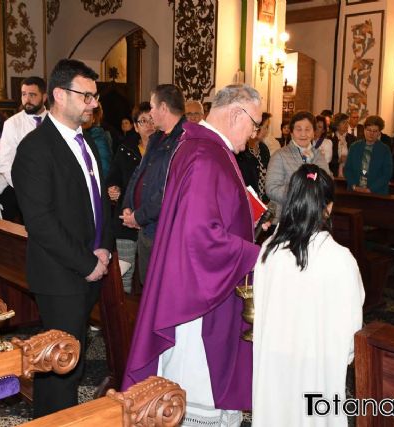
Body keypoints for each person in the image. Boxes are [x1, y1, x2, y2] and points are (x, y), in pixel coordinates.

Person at [123, 84, 262, 426]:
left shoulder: (201, 148)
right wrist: (257, 254)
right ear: (235, 114)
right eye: (255, 123)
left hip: (197, 285)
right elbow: (201, 236)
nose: (256, 133)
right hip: (199, 300)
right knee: (195, 388)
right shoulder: (205, 156)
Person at [11, 59, 113, 417]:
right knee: (61, 366)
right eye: (86, 95)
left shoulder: (83, 143)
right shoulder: (36, 148)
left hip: (87, 266)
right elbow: (41, 222)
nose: (93, 104)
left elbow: (96, 201)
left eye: (94, 96)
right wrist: (87, 262)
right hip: (59, 273)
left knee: (73, 360)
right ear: (58, 94)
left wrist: (104, 246)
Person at [253, 164, 364, 426]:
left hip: (275, 360)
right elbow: (352, 329)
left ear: (290, 202)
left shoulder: (269, 250)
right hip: (319, 366)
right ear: (329, 206)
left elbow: (261, 304)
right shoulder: (341, 260)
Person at [121, 84, 186, 285]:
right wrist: (128, 205)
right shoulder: (157, 137)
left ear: (164, 108)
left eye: (152, 107)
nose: (150, 112)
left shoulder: (183, 139)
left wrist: (138, 216)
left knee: (160, 290)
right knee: (147, 286)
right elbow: (139, 173)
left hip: (163, 229)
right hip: (145, 226)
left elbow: (169, 190)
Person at [107, 102, 154, 292]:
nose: (149, 125)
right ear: (136, 126)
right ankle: (124, 316)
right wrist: (113, 189)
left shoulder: (165, 150)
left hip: (151, 222)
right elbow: (113, 176)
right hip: (126, 219)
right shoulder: (125, 149)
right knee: (124, 272)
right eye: (143, 121)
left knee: (150, 275)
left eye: (152, 120)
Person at [266, 110, 331, 221]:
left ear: (313, 132)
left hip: (312, 218)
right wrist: (301, 197)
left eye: (307, 129)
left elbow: (327, 183)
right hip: (285, 217)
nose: (303, 134)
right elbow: (272, 188)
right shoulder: (279, 155)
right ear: (291, 132)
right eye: (298, 129)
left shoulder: (319, 156)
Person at [0, 76, 48, 188]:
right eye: (24, 94)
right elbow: (5, 163)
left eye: (32, 95)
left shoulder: (56, 121)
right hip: (26, 188)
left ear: (44, 97)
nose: (27, 100)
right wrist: (23, 188)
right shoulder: (12, 124)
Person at [343, 115, 393, 195]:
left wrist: (371, 189)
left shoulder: (385, 150)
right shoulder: (354, 147)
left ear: (379, 133)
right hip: (354, 191)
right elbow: (347, 169)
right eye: (369, 130)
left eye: (375, 131)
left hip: (377, 193)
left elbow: (387, 174)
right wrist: (354, 186)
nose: (371, 133)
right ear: (364, 130)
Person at [236, 112, 271, 202]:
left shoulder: (263, 148)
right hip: (246, 200)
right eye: (265, 127)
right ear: (257, 128)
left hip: (263, 200)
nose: (266, 131)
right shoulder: (241, 149)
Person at [83, 105, 112, 178]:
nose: (83, 117)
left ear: (94, 119)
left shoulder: (99, 137)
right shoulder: (79, 134)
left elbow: (104, 168)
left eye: (87, 113)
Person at [330, 112, 356, 177]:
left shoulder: (353, 139)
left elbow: (357, 157)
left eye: (347, 122)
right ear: (337, 125)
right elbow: (326, 159)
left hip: (350, 174)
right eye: (344, 122)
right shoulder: (330, 139)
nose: (347, 125)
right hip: (333, 174)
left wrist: (348, 159)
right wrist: (339, 160)